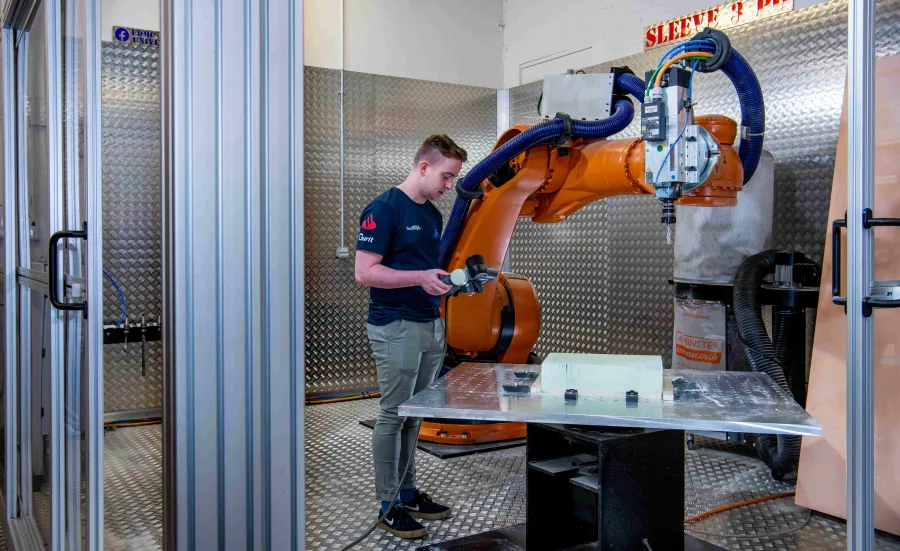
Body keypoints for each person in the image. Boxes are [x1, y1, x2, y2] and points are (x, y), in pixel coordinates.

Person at [354, 134, 467, 539]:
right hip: (395, 325)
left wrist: (449, 283)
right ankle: (388, 505)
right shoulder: (385, 209)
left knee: (414, 414)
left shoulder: (434, 216)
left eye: (454, 179)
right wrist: (419, 278)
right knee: (393, 413)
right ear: (423, 166)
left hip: (429, 324)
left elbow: (423, 272)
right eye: (446, 176)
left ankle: (407, 491)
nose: (449, 185)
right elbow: (365, 272)